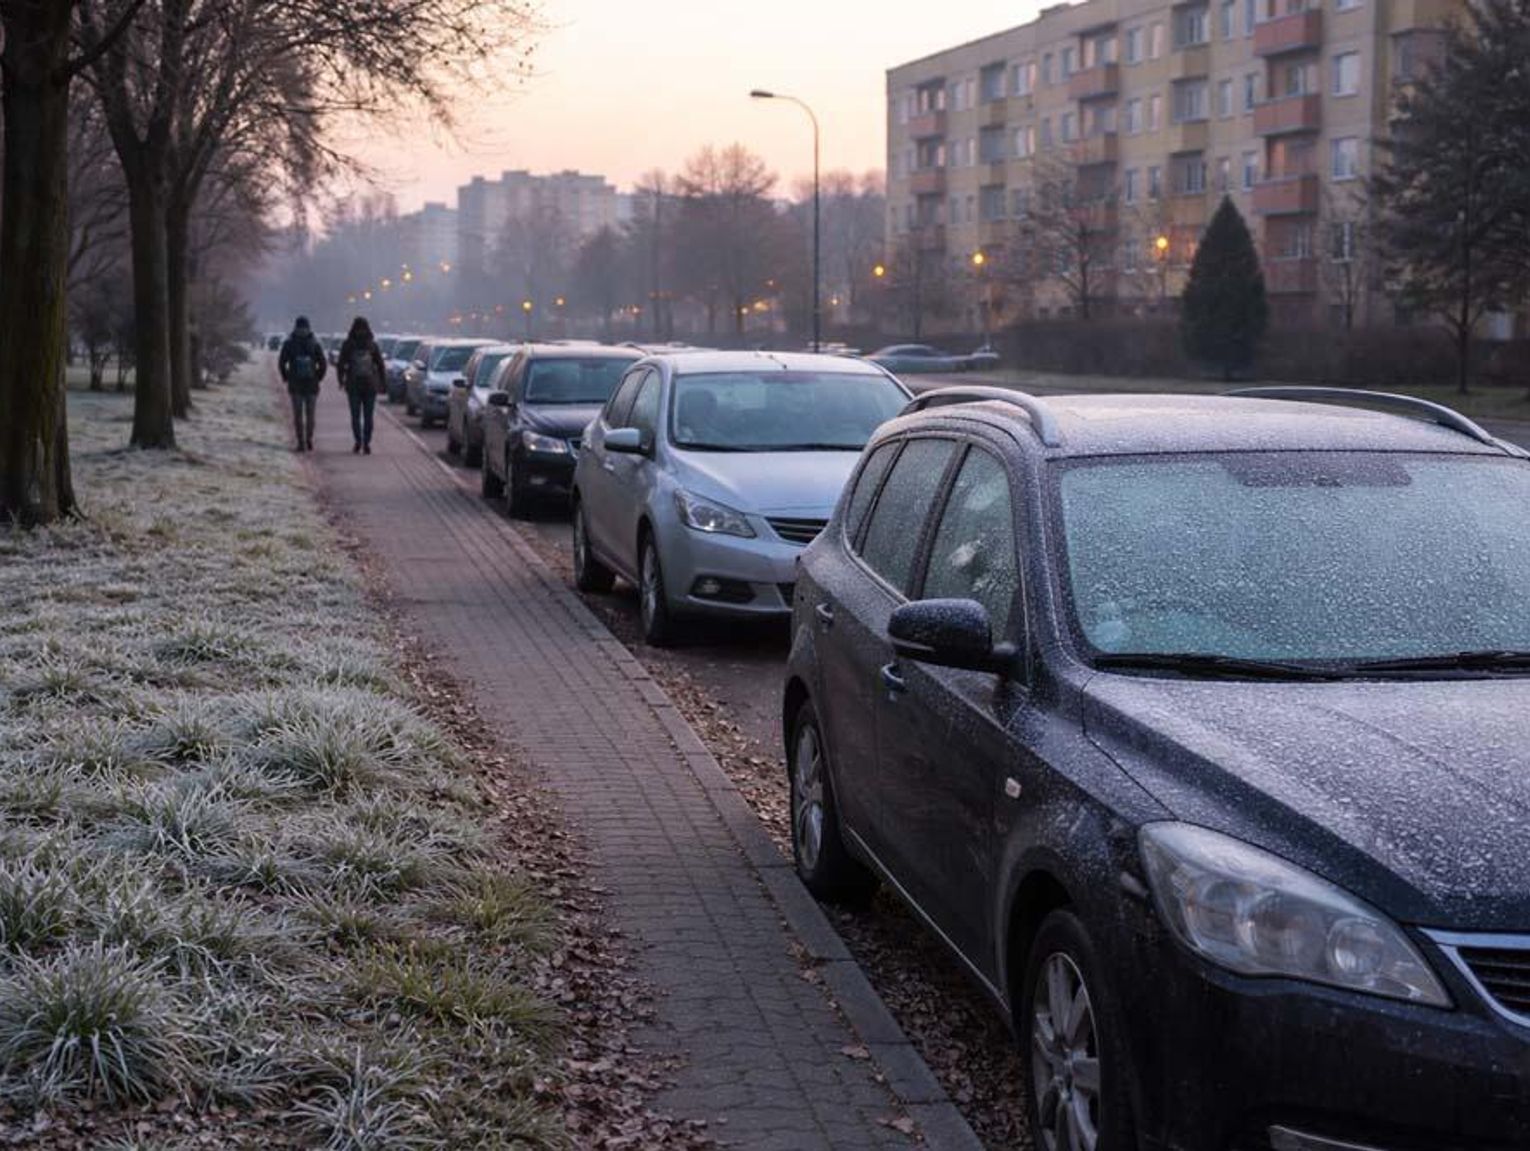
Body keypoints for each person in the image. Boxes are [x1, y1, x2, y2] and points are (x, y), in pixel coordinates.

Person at [337, 316, 387, 455]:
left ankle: (358, 441)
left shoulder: (348, 344)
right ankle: (367, 442)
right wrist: (383, 383)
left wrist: (341, 380)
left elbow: (341, 364)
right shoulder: (372, 345)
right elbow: (380, 365)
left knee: (355, 416)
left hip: (353, 385)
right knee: (368, 416)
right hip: (370, 385)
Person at [278, 315, 327, 451]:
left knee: (298, 415)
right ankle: (309, 439)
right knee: (310, 415)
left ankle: (301, 442)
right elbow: (323, 364)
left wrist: (286, 377)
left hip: (295, 385)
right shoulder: (315, 343)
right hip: (312, 385)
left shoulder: (289, 343)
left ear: (295, 327)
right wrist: (318, 377)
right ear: (309, 328)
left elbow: (281, 363)